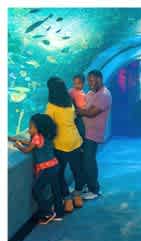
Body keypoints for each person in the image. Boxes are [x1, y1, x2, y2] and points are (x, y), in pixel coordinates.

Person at [9, 114, 63, 224]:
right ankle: (59, 212)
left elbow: (27, 150)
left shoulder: (37, 137)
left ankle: (47, 212)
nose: (29, 130)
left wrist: (18, 145)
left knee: (36, 190)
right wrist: (14, 138)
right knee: (56, 189)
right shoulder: (45, 136)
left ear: (39, 128)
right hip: (55, 165)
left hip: (46, 169)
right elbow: (32, 143)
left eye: (31, 127)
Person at [45, 76, 85, 214]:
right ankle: (78, 196)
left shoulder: (51, 106)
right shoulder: (70, 102)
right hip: (75, 141)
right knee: (78, 170)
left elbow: (48, 124)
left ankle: (67, 200)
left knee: (59, 173)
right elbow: (74, 118)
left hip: (59, 144)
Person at [76, 70, 111, 200]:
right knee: (84, 161)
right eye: (89, 80)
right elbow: (85, 107)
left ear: (100, 79)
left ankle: (94, 190)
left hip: (93, 134)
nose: (90, 83)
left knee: (89, 161)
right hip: (84, 132)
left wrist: (76, 111)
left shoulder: (104, 94)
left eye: (92, 80)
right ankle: (87, 185)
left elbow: (91, 113)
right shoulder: (90, 93)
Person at [69, 73, 87, 138]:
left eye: (78, 83)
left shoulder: (72, 91)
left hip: (78, 115)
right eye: (75, 83)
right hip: (79, 116)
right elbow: (82, 106)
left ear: (83, 83)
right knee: (82, 132)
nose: (76, 85)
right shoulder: (74, 92)